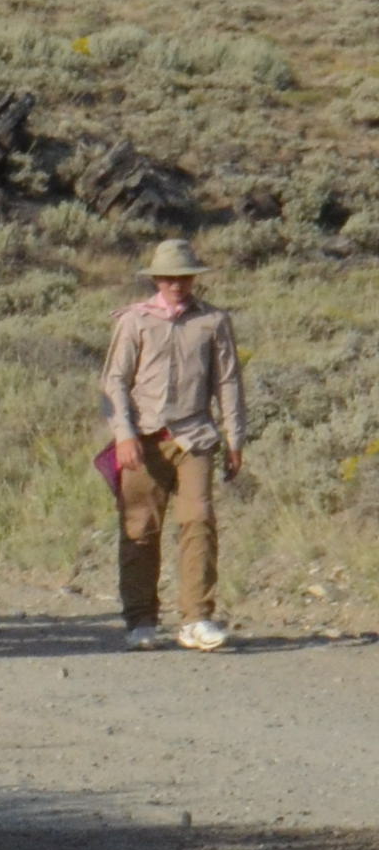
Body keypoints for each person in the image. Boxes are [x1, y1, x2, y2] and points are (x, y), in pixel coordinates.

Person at [105, 238, 247, 652]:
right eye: (169, 277)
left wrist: (236, 437)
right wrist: (124, 434)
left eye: (183, 277)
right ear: (156, 279)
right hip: (144, 438)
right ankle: (140, 621)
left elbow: (228, 381)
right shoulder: (134, 321)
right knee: (139, 530)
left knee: (198, 520)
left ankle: (197, 618)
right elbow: (114, 381)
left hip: (195, 436)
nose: (176, 284)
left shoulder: (214, 321)